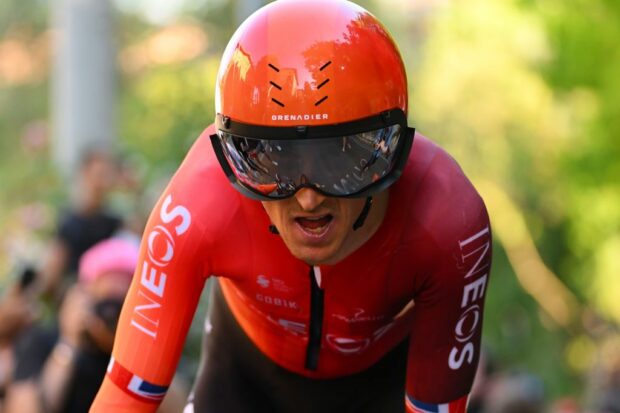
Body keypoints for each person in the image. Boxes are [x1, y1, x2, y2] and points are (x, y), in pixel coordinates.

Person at [91, 0, 492, 412]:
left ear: (388, 153)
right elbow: (125, 397)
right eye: (275, 160)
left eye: (340, 160)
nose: (308, 196)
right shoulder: (197, 204)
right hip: (245, 374)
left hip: (379, 384)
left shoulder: (449, 222)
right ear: (235, 156)